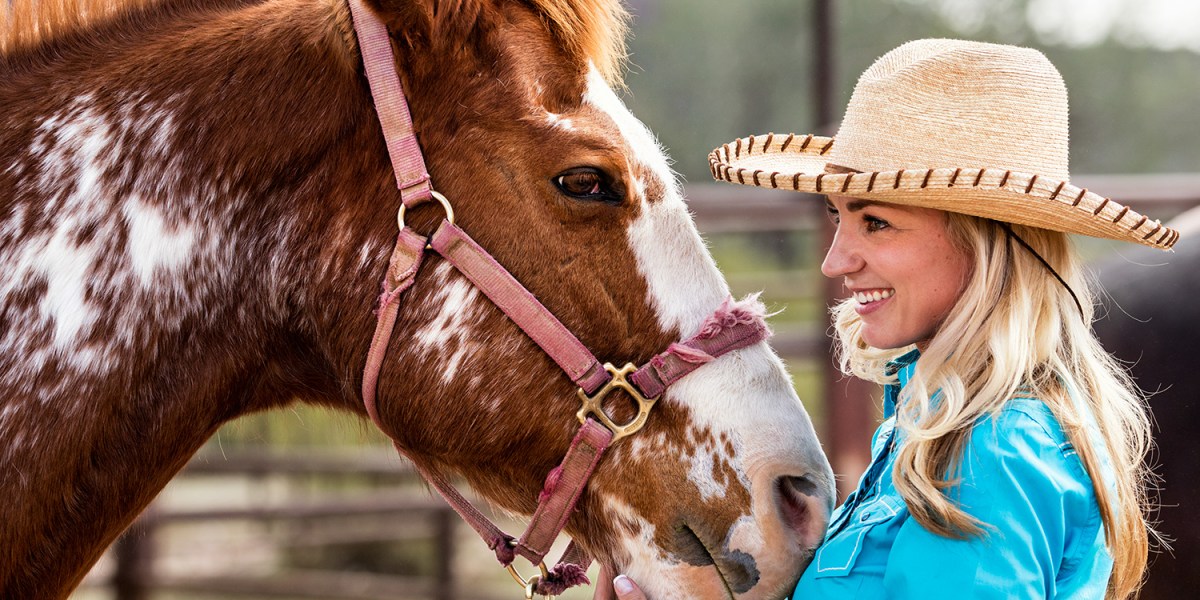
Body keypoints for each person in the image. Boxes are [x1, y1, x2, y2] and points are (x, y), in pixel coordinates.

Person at [613, 38, 1176, 599]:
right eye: (837, 217)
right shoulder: (934, 428)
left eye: (876, 222)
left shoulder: (985, 452)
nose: (836, 261)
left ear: (985, 241)